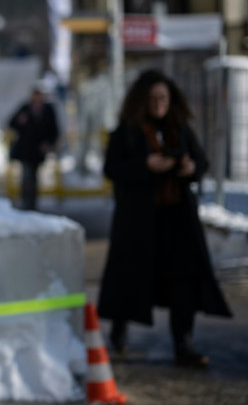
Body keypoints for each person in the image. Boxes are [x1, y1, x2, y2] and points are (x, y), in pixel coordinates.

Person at [97, 69, 232, 367]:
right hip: (138, 222)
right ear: (142, 101)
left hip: (177, 220)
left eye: (164, 98)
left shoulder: (180, 128)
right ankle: (119, 330)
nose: (159, 104)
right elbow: (111, 169)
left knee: (183, 281)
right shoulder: (126, 131)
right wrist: (145, 165)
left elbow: (201, 161)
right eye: (153, 98)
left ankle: (183, 345)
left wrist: (189, 168)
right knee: (130, 279)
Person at [7, 82, 59, 210]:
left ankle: (31, 203)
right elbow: (12, 123)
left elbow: (54, 129)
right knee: (26, 176)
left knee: (33, 177)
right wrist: (20, 121)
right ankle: (26, 202)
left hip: (38, 151)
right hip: (25, 149)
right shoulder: (25, 108)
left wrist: (49, 143)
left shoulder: (48, 110)